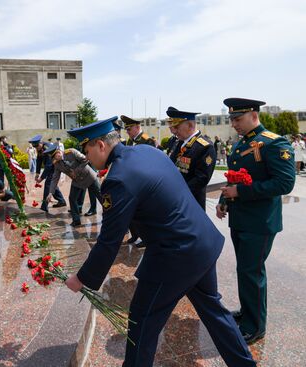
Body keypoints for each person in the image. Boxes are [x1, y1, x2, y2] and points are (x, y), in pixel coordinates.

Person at [64, 116, 256, 367]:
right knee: (214, 312)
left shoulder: (118, 178)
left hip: (175, 255)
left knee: (142, 322)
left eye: (87, 149)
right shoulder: (146, 151)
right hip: (201, 242)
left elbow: (109, 241)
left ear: (101, 145)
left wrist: (81, 278)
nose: (86, 157)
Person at [217, 98, 295, 345]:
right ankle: (247, 311)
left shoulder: (274, 142)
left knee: (252, 272)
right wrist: (224, 199)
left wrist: (240, 194)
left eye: (237, 119)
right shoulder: (242, 144)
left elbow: (284, 183)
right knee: (244, 270)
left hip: (260, 222)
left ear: (253, 115)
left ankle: (256, 326)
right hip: (240, 218)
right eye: (231, 120)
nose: (234, 124)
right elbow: (234, 177)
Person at [166, 106, 217, 210]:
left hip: (191, 203)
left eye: (176, 127)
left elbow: (201, 179)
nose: (173, 131)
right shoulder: (178, 143)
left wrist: (178, 193)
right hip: (175, 201)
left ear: (189, 125)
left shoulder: (205, 146)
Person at [118, 116, 155, 247]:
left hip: (144, 182)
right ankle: (135, 234)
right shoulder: (129, 141)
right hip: (132, 182)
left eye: (129, 129)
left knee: (144, 213)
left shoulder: (147, 140)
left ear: (137, 127)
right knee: (132, 212)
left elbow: (151, 162)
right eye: (126, 129)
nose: (127, 131)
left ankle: (147, 238)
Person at [43, 144, 101, 226]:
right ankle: (76, 220)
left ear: (59, 151)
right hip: (77, 181)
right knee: (72, 198)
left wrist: (76, 171)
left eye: (56, 155)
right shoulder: (57, 164)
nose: (56, 158)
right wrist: (50, 193)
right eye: (53, 158)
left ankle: (111, 215)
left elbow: (85, 159)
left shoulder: (71, 152)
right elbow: (55, 178)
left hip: (88, 176)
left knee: (101, 196)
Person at [30, 135, 66, 212]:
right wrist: (37, 173)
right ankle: (61, 201)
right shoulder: (40, 148)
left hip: (55, 168)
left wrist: (41, 178)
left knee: (48, 185)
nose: (37, 148)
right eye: (35, 147)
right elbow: (39, 160)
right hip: (50, 168)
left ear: (41, 142)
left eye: (37, 146)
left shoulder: (48, 148)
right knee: (52, 186)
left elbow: (49, 166)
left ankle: (44, 206)